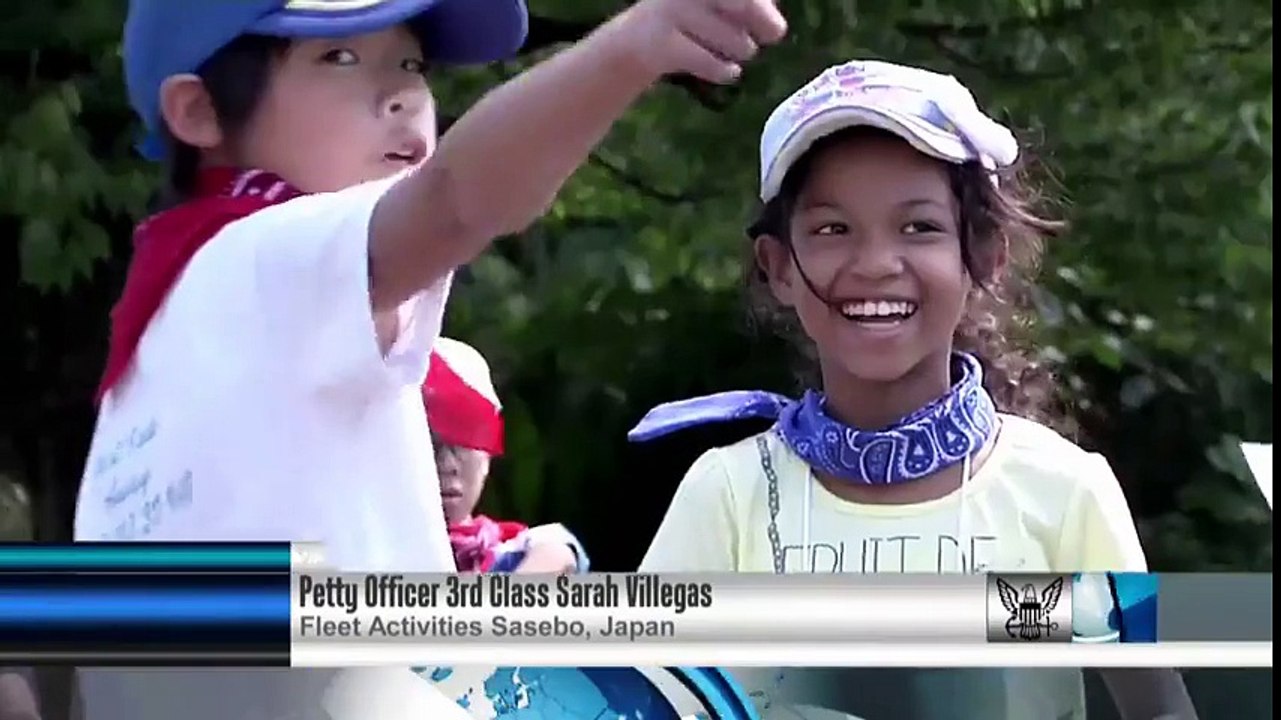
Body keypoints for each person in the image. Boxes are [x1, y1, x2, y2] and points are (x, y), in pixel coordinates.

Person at [73, 1, 786, 718]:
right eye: (339, 59)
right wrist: (630, 48)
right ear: (199, 111)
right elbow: (453, 198)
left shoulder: (162, 329)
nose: (404, 94)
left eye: (411, 63)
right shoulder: (266, 258)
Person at [629, 60, 1196, 720]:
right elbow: (641, 704)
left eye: (918, 227)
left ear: (982, 253)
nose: (874, 264)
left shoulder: (1063, 492)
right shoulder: (727, 495)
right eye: (831, 229)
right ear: (779, 268)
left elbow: (1160, 710)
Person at [425, 337, 587, 574]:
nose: (448, 464)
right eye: (430, 444)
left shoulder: (520, 553)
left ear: (488, 458)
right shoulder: (361, 550)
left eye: (465, 443)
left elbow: (557, 553)